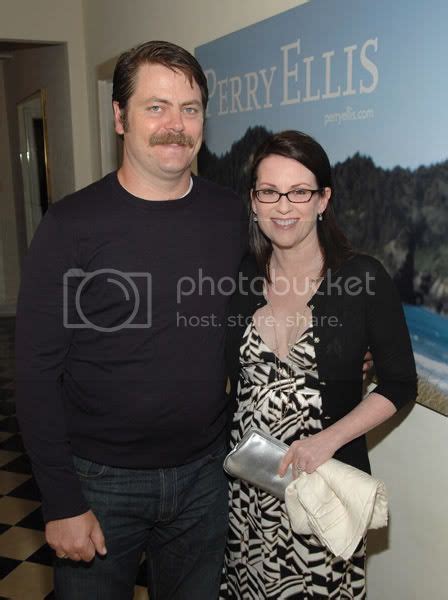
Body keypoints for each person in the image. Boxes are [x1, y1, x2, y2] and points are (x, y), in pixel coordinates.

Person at [15, 41, 247, 599]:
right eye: (156, 107)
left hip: (206, 475)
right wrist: (62, 499)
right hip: (99, 481)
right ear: (120, 117)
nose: (176, 125)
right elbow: (35, 371)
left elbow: (268, 303)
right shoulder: (71, 225)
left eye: (190, 109)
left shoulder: (232, 214)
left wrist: (344, 338)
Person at [220, 130, 417, 599]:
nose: (283, 206)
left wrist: (327, 440)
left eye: (300, 192)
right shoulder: (242, 276)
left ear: (323, 199)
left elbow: (400, 384)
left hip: (320, 495)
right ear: (253, 201)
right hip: (247, 498)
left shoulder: (362, 279)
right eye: (269, 192)